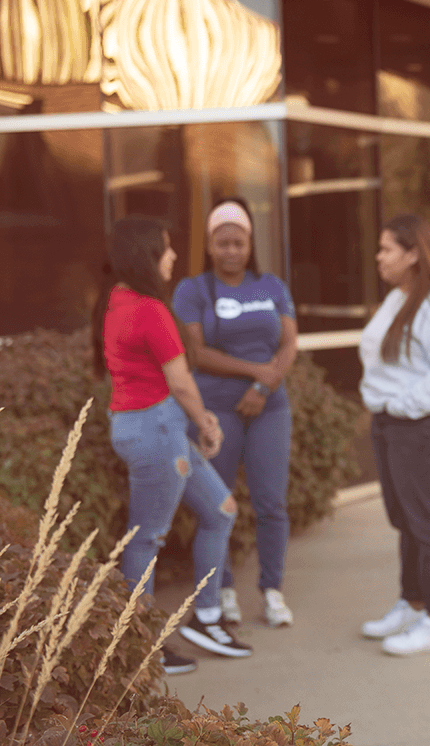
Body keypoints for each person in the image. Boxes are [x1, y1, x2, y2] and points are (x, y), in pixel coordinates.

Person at [92, 215, 253, 675]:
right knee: (147, 537)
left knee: (221, 509)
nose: (174, 255)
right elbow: (180, 380)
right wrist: (206, 423)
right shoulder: (147, 308)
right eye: (166, 247)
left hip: (144, 425)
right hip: (157, 431)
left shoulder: (115, 300)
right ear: (147, 253)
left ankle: (204, 618)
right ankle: (142, 646)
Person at [172, 199, 299, 629]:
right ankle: (222, 588)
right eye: (222, 242)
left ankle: (273, 591)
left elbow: (288, 344)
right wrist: (254, 372)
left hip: (270, 408)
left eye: (238, 242)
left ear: (250, 244)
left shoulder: (271, 285)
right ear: (209, 245)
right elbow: (197, 352)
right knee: (218, 501)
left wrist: (264, 386)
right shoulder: (193, 290)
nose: (231, 250)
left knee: (271, 503)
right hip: (217, 409)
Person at [358, 214, 430, 656]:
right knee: (404, 519)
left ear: (412, 254)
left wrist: (402, 405)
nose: (378, 257)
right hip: (389, 425)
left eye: (387, 248)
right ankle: (413, 601)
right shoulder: (398, 299)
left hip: (416, 428)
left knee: (427, 522)